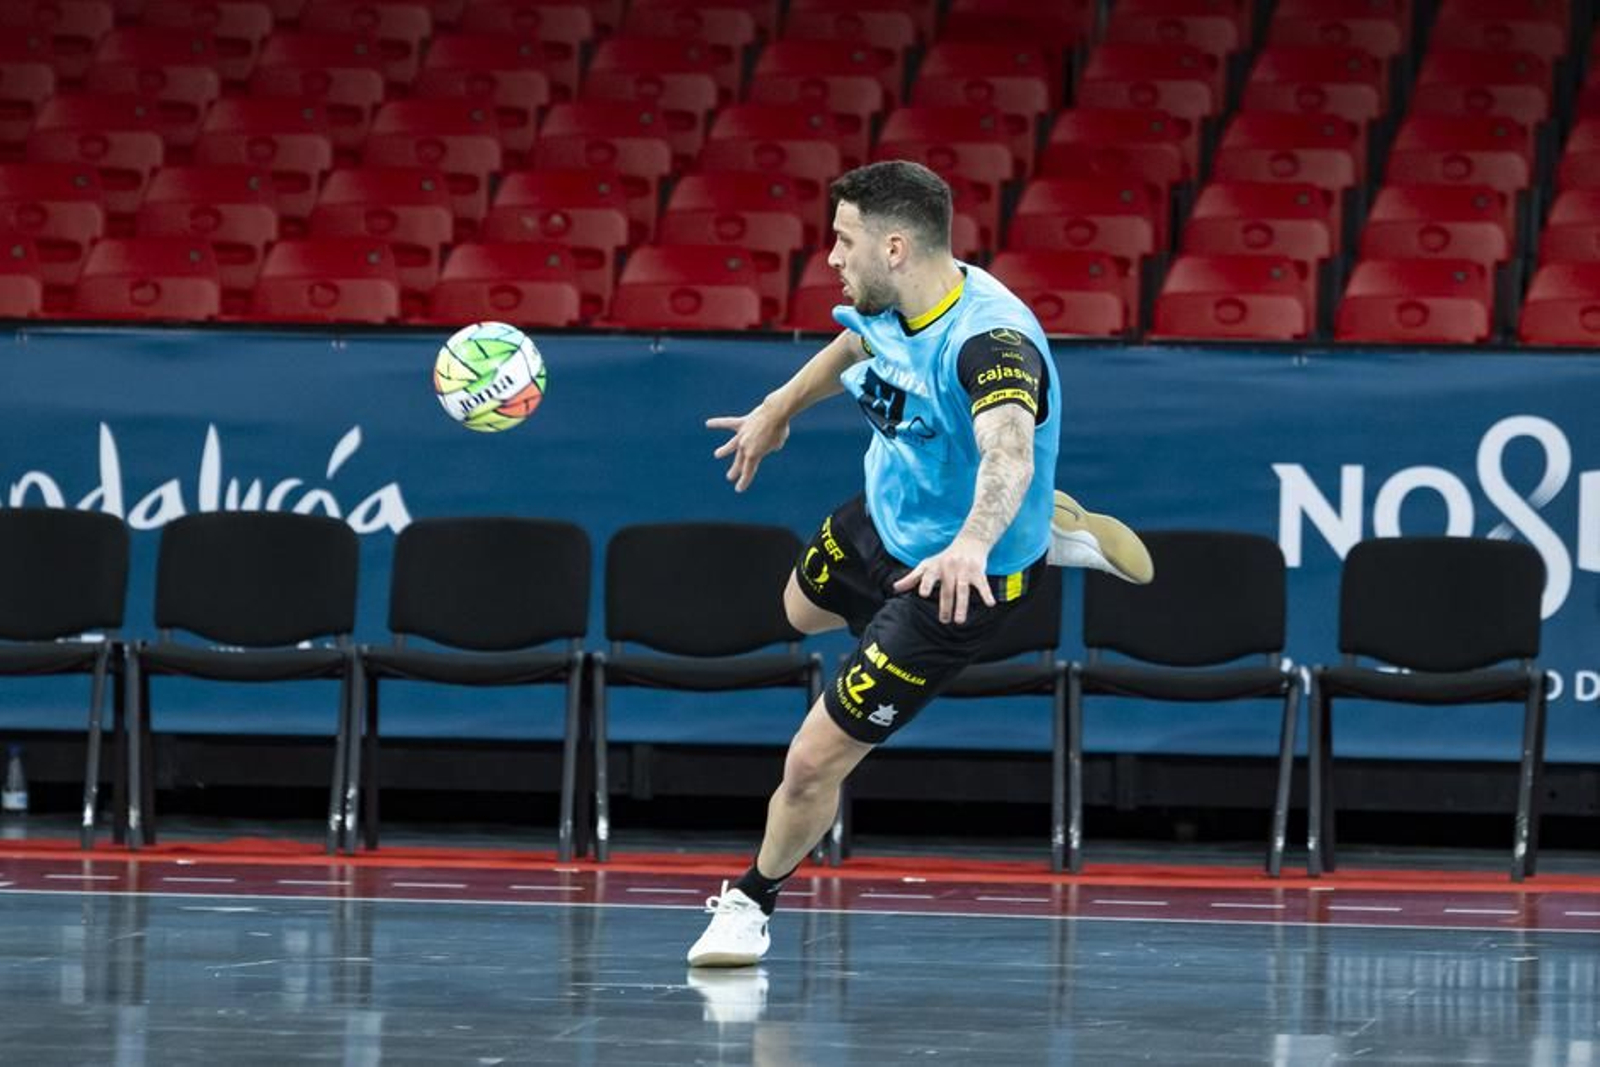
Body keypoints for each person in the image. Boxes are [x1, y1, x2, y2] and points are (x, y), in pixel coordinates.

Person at [689, 160, 1152, 967]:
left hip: (955, 575)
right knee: (797, 611)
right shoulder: (896, 296)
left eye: (843, 240)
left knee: (810, 762)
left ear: (895, 246)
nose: (830, 257)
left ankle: (749, 901)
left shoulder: (990, 343)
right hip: (883, 517)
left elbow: (1006, 446)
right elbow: (852, 342)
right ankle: (1053, 517)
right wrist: (776, 408)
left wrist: (973, 542)